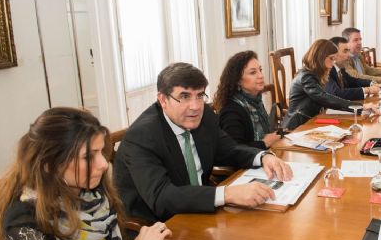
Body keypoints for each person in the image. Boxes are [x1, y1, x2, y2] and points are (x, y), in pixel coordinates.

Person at [0, 108, 171, 240]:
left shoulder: (92, 191)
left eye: (100, 152)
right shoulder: (23, 217)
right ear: (50, 165)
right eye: (88, 156)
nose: (103, 164)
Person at [114, 62, 292, 223]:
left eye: (199, 95)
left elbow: (229, 149)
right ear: (163, 100)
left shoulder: (204, 115)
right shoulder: (142, 136)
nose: (195, 106)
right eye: (184, 96)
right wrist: (228, 193)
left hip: (203, 210)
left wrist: (263, 157)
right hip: (162, 224)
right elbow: (162, 197)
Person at [282, 39, 375, 130]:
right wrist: (360, 106)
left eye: (334, 59)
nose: (332, 63)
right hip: (295, 127)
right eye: (331, 59)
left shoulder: (315, 73)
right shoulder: (306, 77)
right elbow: (325, 98)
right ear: (321, 57)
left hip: (310, 121)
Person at [214, 51, 280, 150]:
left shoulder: (255, 101)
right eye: (253, 72)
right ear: (238, 80)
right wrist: (264, 143)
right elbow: (233, 149)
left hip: (262, 156)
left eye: (260, 70)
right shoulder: (231, 112)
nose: (260, 76)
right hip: (244, 164)